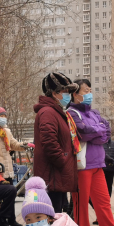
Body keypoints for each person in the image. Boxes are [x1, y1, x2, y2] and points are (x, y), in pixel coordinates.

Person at [67, 79, 114, 226]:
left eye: (90, 90)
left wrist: (96, 132)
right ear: (75, 94)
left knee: (103, 202)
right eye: (85, 91)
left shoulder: (94, 113)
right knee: (80, 202)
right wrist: (97, 131)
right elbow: (82, 132)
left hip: (98, 164)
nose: (89, 94)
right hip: (82, 165)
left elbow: (107, 131)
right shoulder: (71, 113)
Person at [33, 72, 80, 215]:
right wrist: (63, 161)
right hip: (52, 176)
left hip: (56, 175)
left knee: (56, 215)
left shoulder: (56, 112)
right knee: (52, 216)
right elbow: (49, 142)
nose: (68, 95)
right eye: (65, 92)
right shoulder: (48, 112)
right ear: (54, 93)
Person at [0, 107, 31, 200]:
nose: (4, 118)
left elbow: (14, 144)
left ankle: (8, 214)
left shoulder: (7, 132)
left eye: (5, 116)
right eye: (1, 116)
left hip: (8, 172)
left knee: (9, 197)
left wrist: (25, 145)